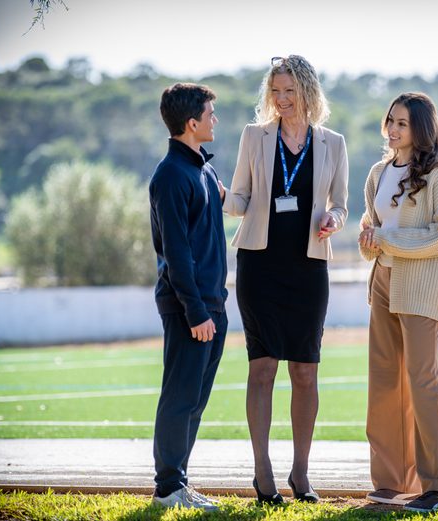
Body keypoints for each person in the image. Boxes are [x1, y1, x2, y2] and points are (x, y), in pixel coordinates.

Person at [220, 55, 348, 504]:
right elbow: (238, 198)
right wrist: (213, 191)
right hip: (260, 266)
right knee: (262, 368)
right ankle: (263, 471)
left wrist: (333, 216)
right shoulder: (254, 138)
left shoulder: (333, 143)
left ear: (308, 93)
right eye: (275, 91)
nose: (281, 99)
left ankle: (301, 473)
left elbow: (341, 204)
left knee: (306, 372)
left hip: (309, 269)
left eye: (290, 91)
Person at [358, 92, 438, 513]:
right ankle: (391, 482)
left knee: (423, 382)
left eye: (403, 122)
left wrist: (385, 240)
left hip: (421, 288)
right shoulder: (378, 173)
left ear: (421, 127)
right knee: (384, 383)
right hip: (382, 281)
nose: (394, 129)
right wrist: (369, 242)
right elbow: (373, 231)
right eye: (391, 121)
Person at [148, 83, 228, 511]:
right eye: (211, 114)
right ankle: (167, 489)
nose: (216, 120)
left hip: (213, 305)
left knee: (194, 401)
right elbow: (176, 256)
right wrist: (196, 312)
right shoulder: (171, 176)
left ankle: (179, 482)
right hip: (189, 310)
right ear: (192, 123)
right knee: (180, 397)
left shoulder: (204, 170)